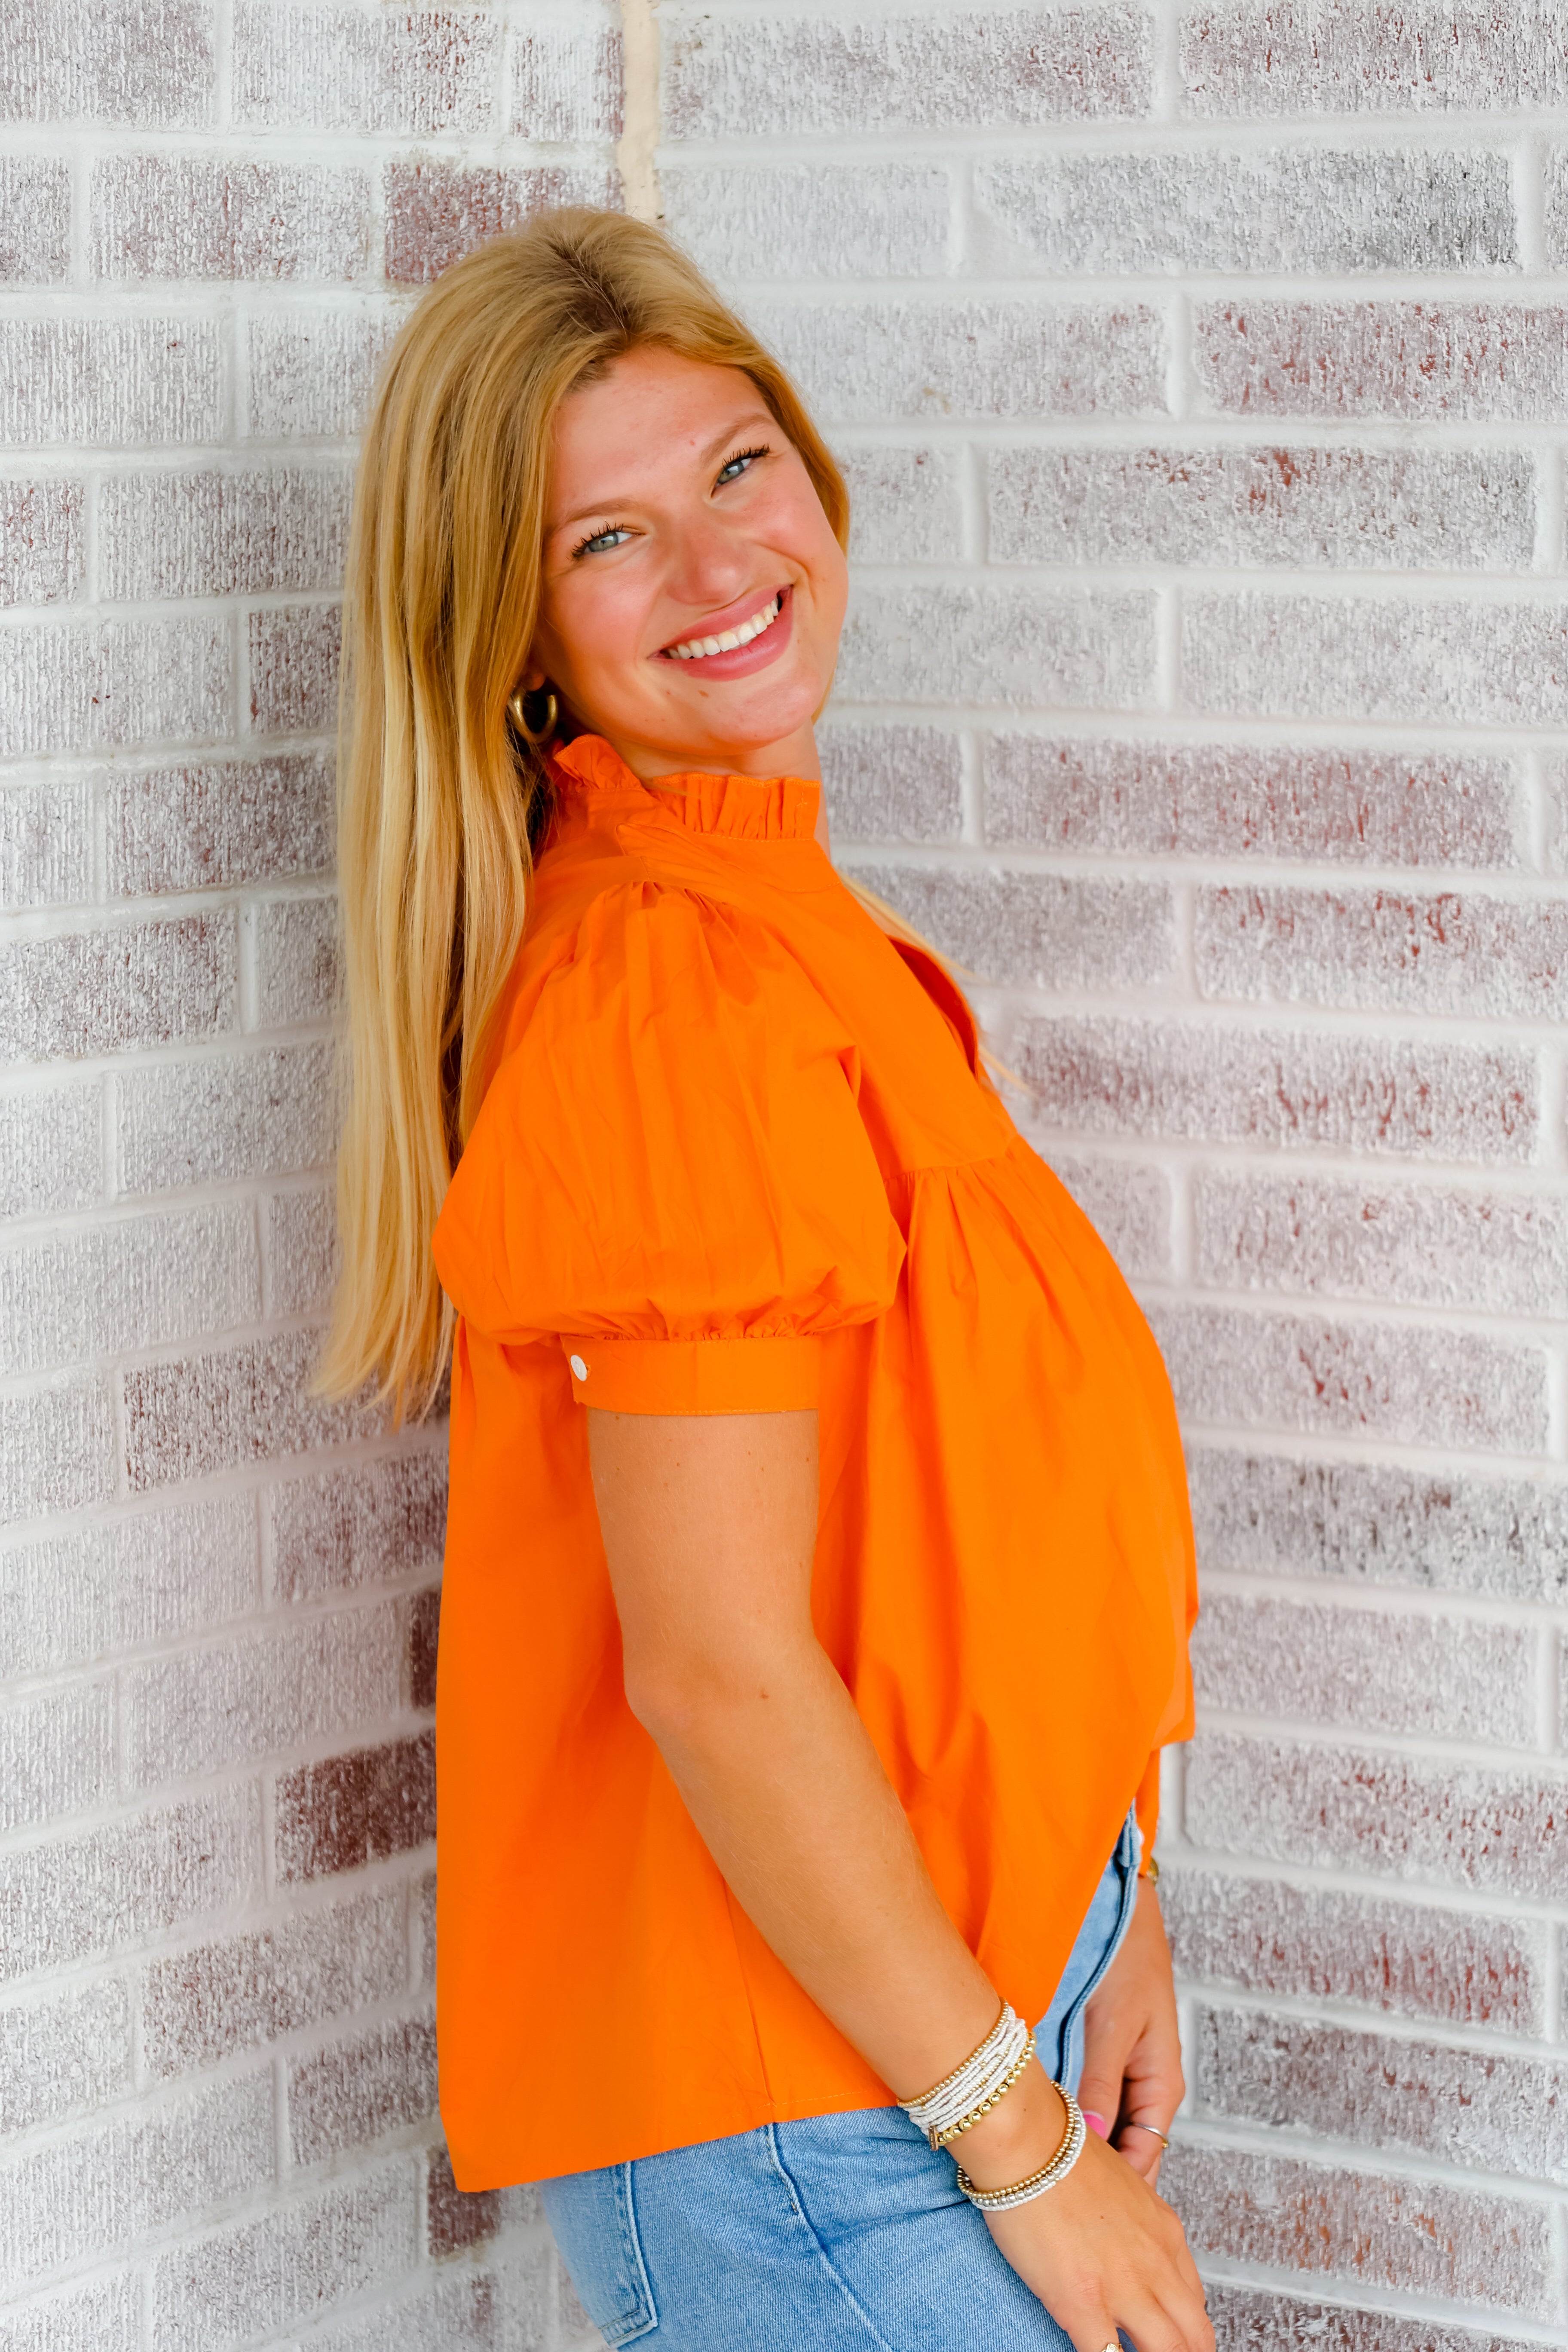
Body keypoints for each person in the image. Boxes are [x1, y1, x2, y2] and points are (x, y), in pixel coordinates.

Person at [323, 207, 1208, 2352]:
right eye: (609, 540)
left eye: (737, 467)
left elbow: (980, 1514)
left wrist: (1113, 1899)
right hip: (828, 2106)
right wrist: (1023, 2149)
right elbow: (718, 1672)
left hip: (951, 1993)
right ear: (519, 637)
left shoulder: (796, 927)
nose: (722, 567)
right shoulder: (670, 994)